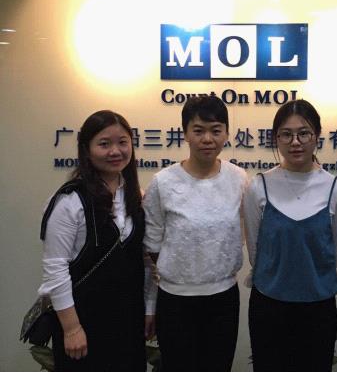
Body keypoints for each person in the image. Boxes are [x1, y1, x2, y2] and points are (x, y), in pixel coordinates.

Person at [243, 99, 337, 372]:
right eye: (286, 134)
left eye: (304, 133)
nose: (295, 142)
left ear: (317, 136)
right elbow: (255, 251)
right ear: (275, 138)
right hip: (269, 304)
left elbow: (333, 251)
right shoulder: (258, 186)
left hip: (318, 307)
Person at [143, 95, 247, 372]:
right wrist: (150, 305)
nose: (207, 139)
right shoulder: (163, 182)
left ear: (227, 133)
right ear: (185, 133)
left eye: (216, 130)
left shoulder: (238, 178)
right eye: (198, 130)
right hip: (175, 300)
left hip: (224, 297)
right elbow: (150, 249)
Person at [38, 110, 148, 371]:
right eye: (104, 144)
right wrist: (71, 328)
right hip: (83, 323)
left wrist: (149, 309)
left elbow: (143, 260)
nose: (115, 151)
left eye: (123, 142)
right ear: (86, 150)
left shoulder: (137, 196)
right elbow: (55, 268)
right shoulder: (69, 201)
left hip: (128, 321)